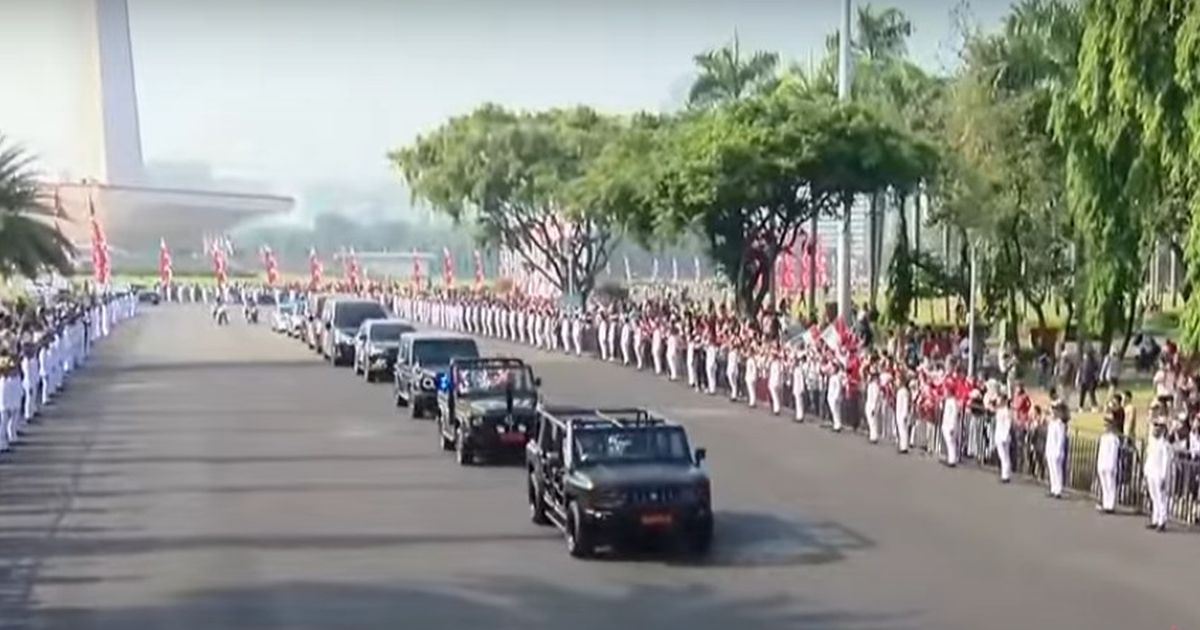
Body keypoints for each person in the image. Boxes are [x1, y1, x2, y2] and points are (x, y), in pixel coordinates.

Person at [1143, 419, 1174, 531]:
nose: (1155, 429)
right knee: (1154, 497)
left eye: (1158, 427)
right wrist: (1146, 472)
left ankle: (1162, 521)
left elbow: (1166, 463)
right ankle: (1155, 519)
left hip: (1159, 474)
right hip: (1151, 472)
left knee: (1161, 498)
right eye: (1155, 427)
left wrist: (1163, 477)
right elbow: (1149, 458)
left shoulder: (1164, 445)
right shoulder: (1152, 442)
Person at [1096, 398, 1122, 514]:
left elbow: (1113, 453)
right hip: (1103, 463)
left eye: (1108, 425)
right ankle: (1106, 502)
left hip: (1110, 464)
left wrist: (1111, 466)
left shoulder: (1113, 438)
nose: (1106, 427)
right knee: (1104, 484)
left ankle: (1110, 504)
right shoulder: (1104, 437)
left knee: (1110, 484)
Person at [1045, 399, 1068, 498]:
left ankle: (1058, 489)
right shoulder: (1052, 422)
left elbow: (1061, 439)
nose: (1053, 412)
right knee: (1052, 469)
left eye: (1055, 410)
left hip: (1056, 450)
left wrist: (1059, 450)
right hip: (1050, 449)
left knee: (1057, 470)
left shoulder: (1060, 424)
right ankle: (1053, 488)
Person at [993, 391, 1013, 482]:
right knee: (1002, 456)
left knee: (1005, 456)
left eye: (1000, 399)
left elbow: (1008, 424)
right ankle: (1004, 473)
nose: (999, 401)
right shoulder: (1000, 410)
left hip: (1004, 435)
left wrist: (1005, 435)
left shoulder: (1006, 411)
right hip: (999, 434)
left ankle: (1006, 475)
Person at [894, 374, 911, 453]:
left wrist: (904, 414)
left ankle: (904, 446)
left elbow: (905, 404)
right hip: (898, 412)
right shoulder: (900, 391)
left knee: (903, 429)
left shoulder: (904, 391)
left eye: (897, 380)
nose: (896, 382)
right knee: (900, 429)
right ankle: (902, 445)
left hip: (902, 413)